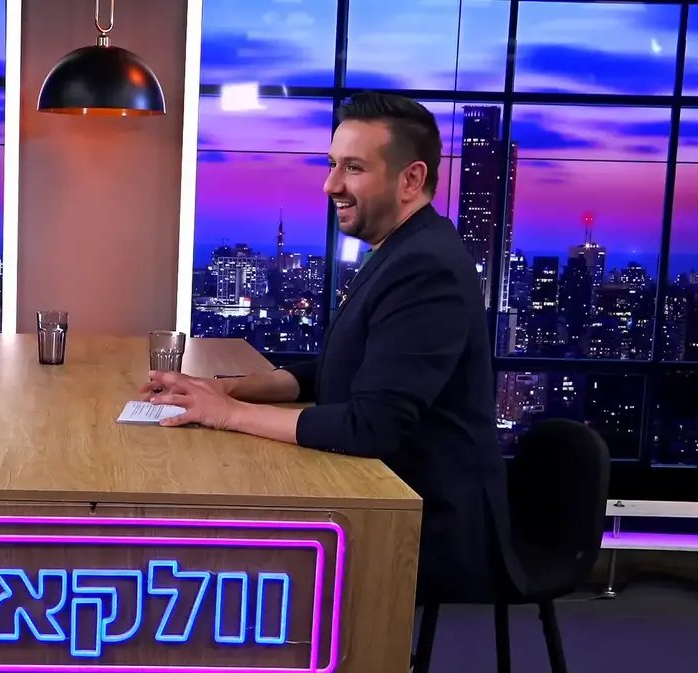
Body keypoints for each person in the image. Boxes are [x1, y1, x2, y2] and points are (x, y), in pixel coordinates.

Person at [143, 92, 521, 605]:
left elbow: (371, 425)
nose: (331, 184)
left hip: (425, 520)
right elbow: (348, 365)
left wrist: (229, 415)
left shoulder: (425, 266)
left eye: (354, 168)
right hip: (386, 491)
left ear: (411, 180)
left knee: (245, 567)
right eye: (332, 164)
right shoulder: (403, 248)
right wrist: (231, 390)